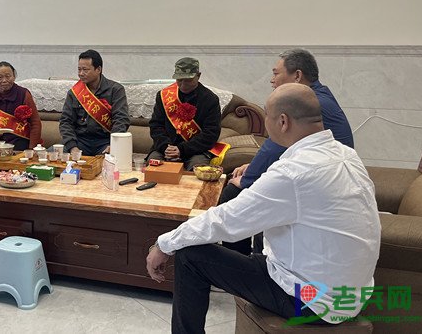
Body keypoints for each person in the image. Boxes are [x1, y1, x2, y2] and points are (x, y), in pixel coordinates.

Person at [146, 83, 380, 333]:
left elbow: (226, 219)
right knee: (262, 234)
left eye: (266, 115)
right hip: (351, 295)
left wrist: (164, 244)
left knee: (190, 256)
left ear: (283, 121)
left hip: (311, 301)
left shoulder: (293, 173)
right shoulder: (346, 155)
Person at [221, 48, 355, 255]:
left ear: (297, 76)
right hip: (324, 175)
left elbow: (275, 145)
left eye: (276, 73)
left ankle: (238, 262)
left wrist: (249, 179)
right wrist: (254, 168)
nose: (272, 80)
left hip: (322, 184)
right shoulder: (320, 95)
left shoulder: (308, 104)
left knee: (234, 192)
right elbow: (284, 146)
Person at [148, 57, 227, 171]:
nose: (183, 85)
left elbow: (211, 133)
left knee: (198, 168)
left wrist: (182, 149)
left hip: (195, 150)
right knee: (153, 166)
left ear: (198, 76)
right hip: (165, 149)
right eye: (179, 80)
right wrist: (166, 147)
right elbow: (156, 125)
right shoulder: (164, 96)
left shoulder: (210, 99)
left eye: (188, 80)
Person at [59, 49, 129, 156]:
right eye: (79, 69)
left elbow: (121, 119)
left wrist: (114, 145)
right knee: (53, 154)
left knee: (115, 159)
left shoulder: (115, 90)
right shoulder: (75, 92)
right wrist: (72, 147)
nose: (81, 74)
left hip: (105, 141)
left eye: (85, 70)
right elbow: (66, 122)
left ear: (98, 69)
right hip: (80, 141)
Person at [0, 61, 42, 154]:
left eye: (8, 76)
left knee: (15, 156)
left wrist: (32, 148)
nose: (4, 80)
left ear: (14, 76)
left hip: (19, 138)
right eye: (0, 77)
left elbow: (35, 123)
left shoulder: (23, 94)